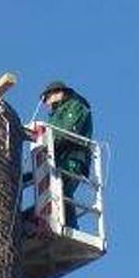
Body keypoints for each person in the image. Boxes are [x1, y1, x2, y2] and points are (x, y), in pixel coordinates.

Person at [40, 81, 93, 227]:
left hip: (72, 156)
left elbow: (67, 130)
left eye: (47, 98)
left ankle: (69, 226)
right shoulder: (56, 114)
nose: (46, 103)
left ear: (59, 93)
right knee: (56, 190)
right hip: (59, 157)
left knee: (63, 189)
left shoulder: (75, 107)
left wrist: (47, 143)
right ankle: (56, 222)